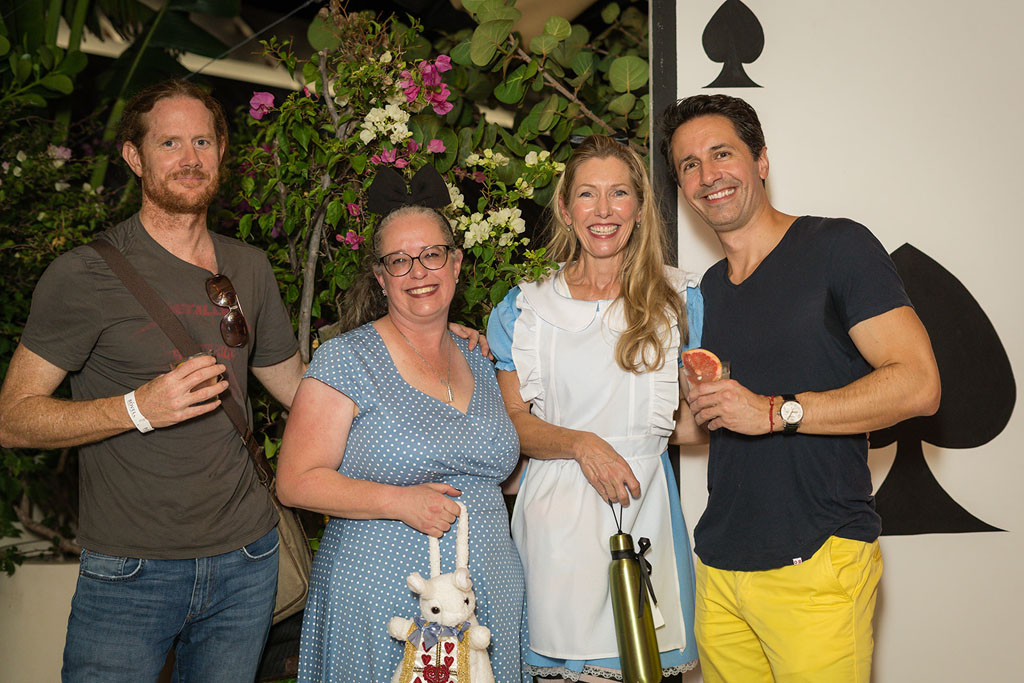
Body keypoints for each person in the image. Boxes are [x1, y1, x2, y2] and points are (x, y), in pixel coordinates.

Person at [0, 80, 307, 681]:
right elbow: (12, 417)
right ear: (134, 157)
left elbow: (297, 384)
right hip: (129, 571)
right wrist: (137, 408)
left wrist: (418, 339)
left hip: (247, 559)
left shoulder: (248, 266)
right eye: (169, 143)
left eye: (202, 141)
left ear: (221, 151)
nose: (190, 158)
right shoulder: (83, 274)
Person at [658, 94, 942, 682]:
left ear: (761, 160)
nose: (708, 175)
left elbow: (919, 384)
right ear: (682, 187)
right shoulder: (706, 291)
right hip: (720, 572)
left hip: (817, 559)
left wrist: (774, 411)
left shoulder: (836, 247)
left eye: (721, 154)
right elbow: (702, 422)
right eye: (689, 164)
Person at [275, 165, 528, 683]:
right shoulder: (347, 359)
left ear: (455, 262)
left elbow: (507, 474)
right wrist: (400, 501)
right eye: (399, 261)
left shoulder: (481, 357)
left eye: (432, 254)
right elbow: (295, 481)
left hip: (487, 598)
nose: (419, 272)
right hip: (384, 596)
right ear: (381, 277)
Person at [487, 134, 705, 682]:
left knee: (644, 665)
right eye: (587, 194)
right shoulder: (525, 308)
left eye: (619, 193)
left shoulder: (680, 300)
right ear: (565, 209)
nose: (603, 211)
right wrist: (583, 445)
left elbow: (693, 423)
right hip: (554, 522)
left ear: (640, 207)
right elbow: (514, 424)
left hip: (643, 509)